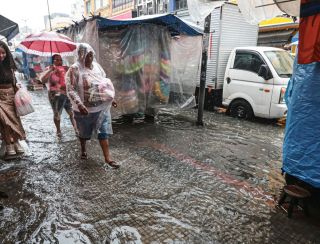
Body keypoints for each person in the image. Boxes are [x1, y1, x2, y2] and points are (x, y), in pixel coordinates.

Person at [66, 43, 119, 169]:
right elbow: (71, 89)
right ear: (80, 55)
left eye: (91, 55)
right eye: (86, 56)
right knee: (84, 133)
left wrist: (111, 98)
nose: (89, 59)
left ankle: (108, 158)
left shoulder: (97, 68)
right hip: (84, 110)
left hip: (100, 108)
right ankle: (83, 148)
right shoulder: (74, 69)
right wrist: (79, 105)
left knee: (103, 132)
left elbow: (104, 84)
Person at [40, 54, 77, 137]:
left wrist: (71, 72)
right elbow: (42, 80)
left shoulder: (65, 68)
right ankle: (58, 130)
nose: (59, 61)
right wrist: (50, 71)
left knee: (72, 112)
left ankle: (76, 129)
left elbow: (72, 80)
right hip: (55, 95)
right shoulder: (49, 69)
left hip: (67, 93)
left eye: (60, 60)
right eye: (57, 60)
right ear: (53, 61)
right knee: (57, 113)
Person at [0, 41, 26, 159]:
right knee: (4, 121)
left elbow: (13, 81)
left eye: (3, 53)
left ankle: (16, 142)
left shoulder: (9, 66)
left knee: (14, 121)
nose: (1, 55)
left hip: (11, 96)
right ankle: (9, 144)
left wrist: (17, 86)